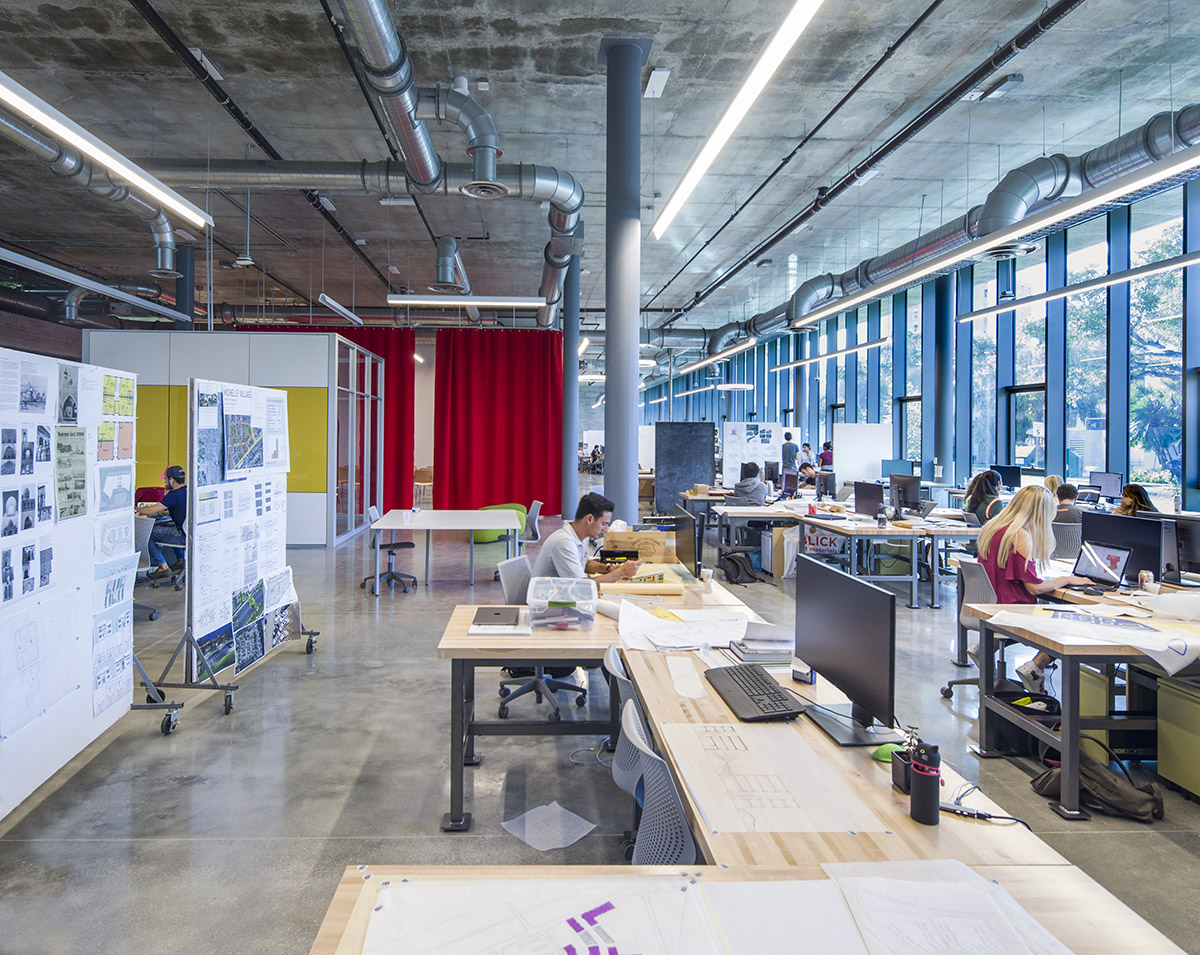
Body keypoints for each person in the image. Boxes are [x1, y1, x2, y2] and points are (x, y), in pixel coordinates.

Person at [975, 486, 1092, 694]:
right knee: (1067, 623)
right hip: (1014, 609)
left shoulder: (992, 527)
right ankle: (1035, 667)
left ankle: (985, 647)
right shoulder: (1020, 535)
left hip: (993, 605)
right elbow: (1034, 587)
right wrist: (1066, 579)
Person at [531, 492, 642, 583]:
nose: (606, 529)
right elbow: (582, 587)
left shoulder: (579, 535)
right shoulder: (563, 542)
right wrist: (621, 572)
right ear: (589, 519)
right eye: (604, 524)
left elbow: (585, 564)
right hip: (549, 604)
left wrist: (609, 569)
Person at [136, 465, 187, 578]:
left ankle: (163, 567)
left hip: (181, 536)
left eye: (165, 479)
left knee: (148, 533)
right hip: (188, 534)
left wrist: (136, 509)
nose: (164, 482)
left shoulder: (174, 495)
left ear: (171, 480)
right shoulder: (187, 490)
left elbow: (150, 511)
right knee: (171, 527)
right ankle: (180, 561)